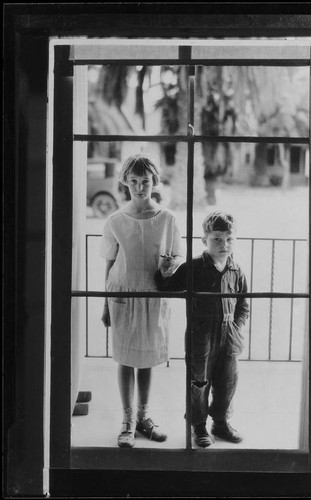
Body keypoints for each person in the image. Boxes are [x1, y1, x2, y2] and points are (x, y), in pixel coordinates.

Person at [100, 154, 183, 448]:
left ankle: (144, 418)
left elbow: (174, 259)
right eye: (133, 181)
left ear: (154, 182)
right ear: (125, 183)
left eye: (145, 181)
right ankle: (127, 420)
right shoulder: (115, 221)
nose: (139, 187)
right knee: (125, 359)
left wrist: (169, 268)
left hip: (152, 296)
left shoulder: (167, 219)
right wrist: (104, 304)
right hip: (122, 295)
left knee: (146, 359)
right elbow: (110, 263)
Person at [155, 211, 249, 448]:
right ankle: (198, 425)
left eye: (229, 239)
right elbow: (168, 288)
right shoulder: (194, 267)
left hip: (229, 336)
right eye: (216, 239)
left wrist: (237, 327)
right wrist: (164, 272)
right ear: (204, 240)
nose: (223, 244)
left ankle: (220, 422)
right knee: (199, 382)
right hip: (202, 336)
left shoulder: (236, 270)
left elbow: (244, 304)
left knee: (227, 381)